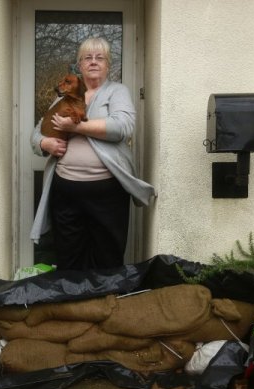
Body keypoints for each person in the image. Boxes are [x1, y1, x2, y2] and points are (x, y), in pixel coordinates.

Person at [30, 37, 155, 271]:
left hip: (106, 192)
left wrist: (75, 127)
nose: (93, 62)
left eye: (100, 58)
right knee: (69, 256)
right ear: (80, 65)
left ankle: (105, 303)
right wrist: (45, 143)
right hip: (65, 191)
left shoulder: (116, 92)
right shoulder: (63, 98)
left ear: (108, 65)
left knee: (107, 256)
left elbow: (122, 127)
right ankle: (73, 304)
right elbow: (36, 134)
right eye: (87, 58)